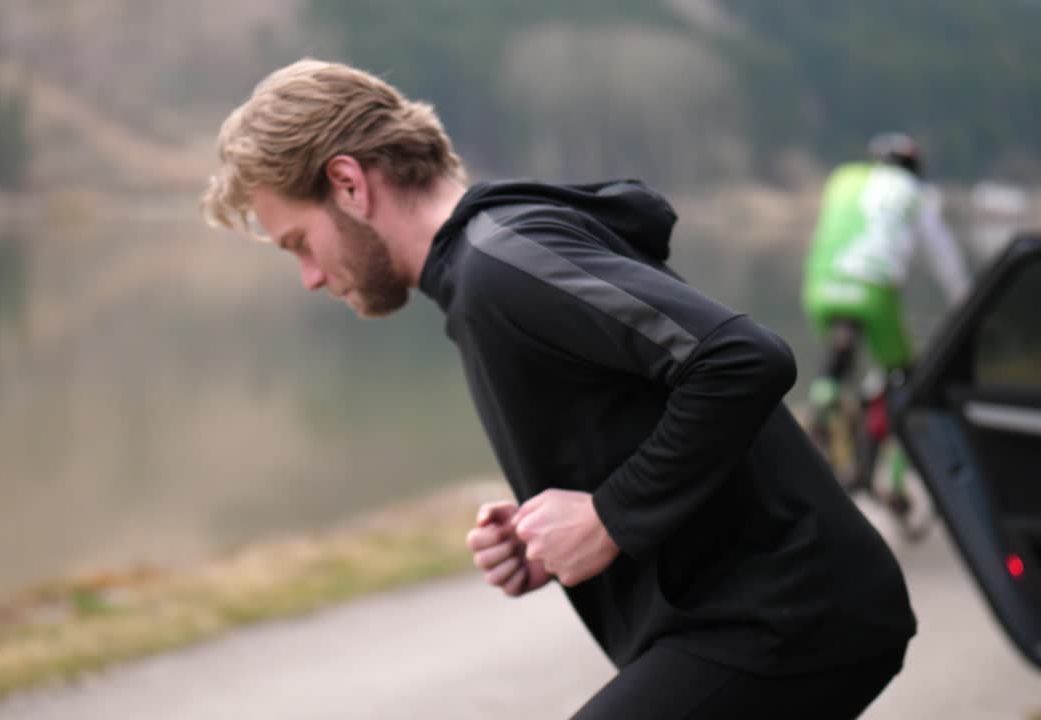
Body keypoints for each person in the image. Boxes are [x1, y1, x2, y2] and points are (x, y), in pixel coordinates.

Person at [201, 58, 915, 719]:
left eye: (299, 242)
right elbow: (641, 413)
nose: (312, 276)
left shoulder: (500, 263)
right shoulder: (483, 274)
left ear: (350, 184)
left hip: (791, 615)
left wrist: (608, 517)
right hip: (750, 616)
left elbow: (739, 358)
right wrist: (545, 531)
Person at [802, 132, 972, 517]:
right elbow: (943, 257)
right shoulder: (915, 194)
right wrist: (965, 300)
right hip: (874, 290)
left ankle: (821, 406)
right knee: (901, 378)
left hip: (820, 285)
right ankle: (892, 477)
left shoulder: (843, 178)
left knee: (839, 359)